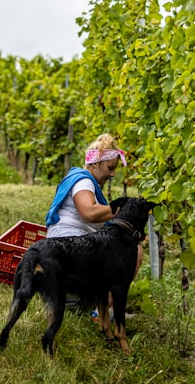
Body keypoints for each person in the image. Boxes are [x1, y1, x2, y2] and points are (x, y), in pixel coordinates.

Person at [44, 134, 142, 315]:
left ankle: (96, 306)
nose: (112, 174)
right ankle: (100, 311)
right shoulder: (84, 180)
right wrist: (123, 209)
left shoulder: (83, 181)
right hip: (72, 249)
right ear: (96, 163)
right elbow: (89, 212)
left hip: (70, 247)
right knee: (131, 250)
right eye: (110, 168)